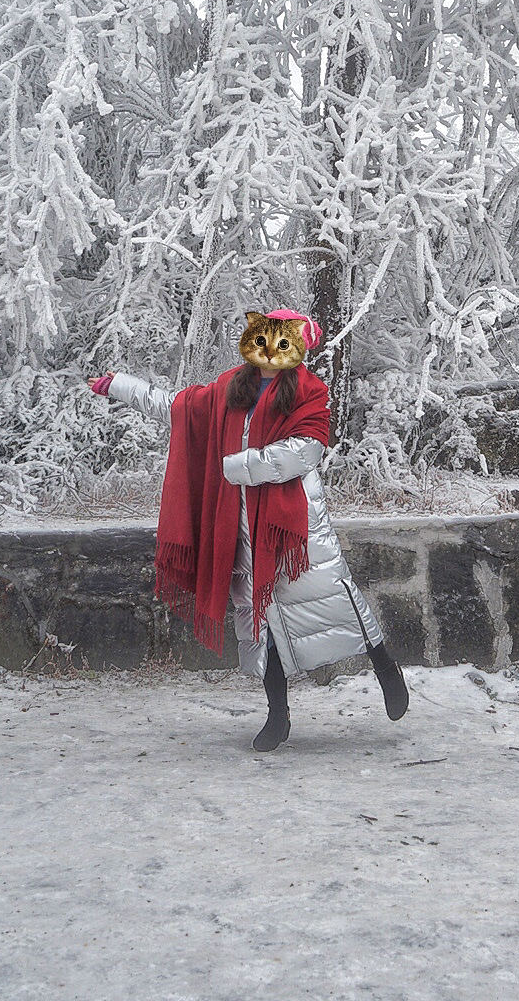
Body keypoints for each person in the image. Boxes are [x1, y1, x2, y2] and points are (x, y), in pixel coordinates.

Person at [88, 307, 409, 750]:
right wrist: (119, 385)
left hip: (294, 526)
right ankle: (278, 714)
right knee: (258, 621)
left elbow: (306, 451)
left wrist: (238, 467)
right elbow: (174, 406)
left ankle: (384, 667)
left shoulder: (310, 393)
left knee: (338, 597)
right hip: (236, 525)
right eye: (261, 341)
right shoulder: (227, 389)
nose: (267, 353)